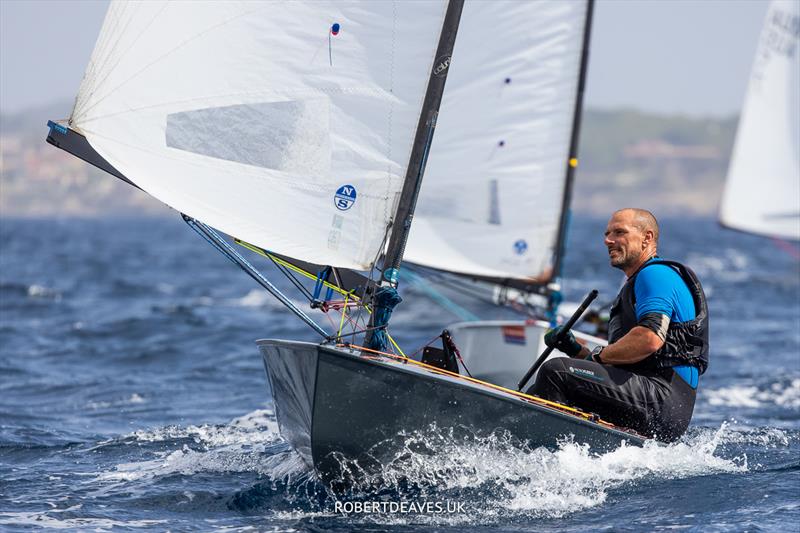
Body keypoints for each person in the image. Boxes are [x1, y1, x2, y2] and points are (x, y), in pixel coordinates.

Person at [527, 208, 708, 441]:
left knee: (557, 372)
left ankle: (545, 450)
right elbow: (620, 367)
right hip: (655, 402)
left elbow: (649, 338)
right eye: (607, 233)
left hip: (662, 399)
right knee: (538, 390)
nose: (608, 240)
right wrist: (574, 348)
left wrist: (598, 356)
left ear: (647, 238)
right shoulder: (640, 280)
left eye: (619, 232)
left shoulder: (655, 275)